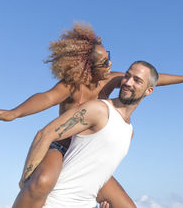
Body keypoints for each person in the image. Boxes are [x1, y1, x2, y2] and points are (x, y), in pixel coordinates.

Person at [0, 22, 183, 208]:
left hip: (87, 155)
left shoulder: (111, 79)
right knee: (40, 182)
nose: (109, 64)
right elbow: (45, 98)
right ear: (86, 67)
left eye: (108, 57)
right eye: (103, 63)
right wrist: (14, 113)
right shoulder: (72, 86)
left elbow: (153, 78)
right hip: (63, 147)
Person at [14, 61, 158, 208]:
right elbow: (44, 134)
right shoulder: (98, 109)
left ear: (149, 90)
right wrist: (25, 181)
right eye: (127, 76)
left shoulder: (129, 132)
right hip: (55, 202)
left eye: (137, 80)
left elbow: (96, 174)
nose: (128, 82)